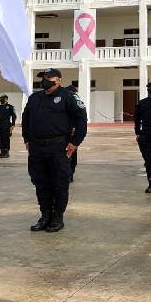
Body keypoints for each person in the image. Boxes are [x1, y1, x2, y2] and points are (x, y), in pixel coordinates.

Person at [22, 68, 87, 233]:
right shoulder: (35, 98)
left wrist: (75, 143)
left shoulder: (68, 97)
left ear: (58, 80)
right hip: (37, 148)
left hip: (58, 147)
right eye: (43, 77)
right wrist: (27, 139)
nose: (44, 80)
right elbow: (26, 119)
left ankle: (57, 217)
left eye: (48, 77)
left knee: (59, 183)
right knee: (40, 183)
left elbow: (81, 119)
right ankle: (45, 216)